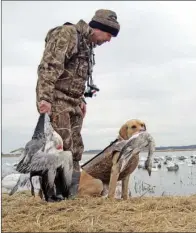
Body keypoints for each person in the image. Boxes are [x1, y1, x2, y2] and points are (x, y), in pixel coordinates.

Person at [36, 9, 120, 198]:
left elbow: (75, 76)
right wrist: (44, 99)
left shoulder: (87, 45)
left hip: (73, 102)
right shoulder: (67, 34)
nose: (109, 40)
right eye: (109, 34)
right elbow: (49, 67)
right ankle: (52, 197)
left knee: (75, 149)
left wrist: (81, 99)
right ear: (99, 27)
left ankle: (70, 194)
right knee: (59, 149)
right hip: (56, 99)